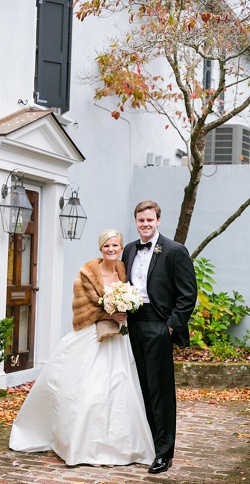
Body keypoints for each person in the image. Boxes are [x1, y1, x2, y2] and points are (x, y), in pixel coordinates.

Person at [9, 229, 154, 467]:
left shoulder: (123, 271)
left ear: (120, 248)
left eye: (115, 246)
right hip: (93, 336)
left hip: (118, 338)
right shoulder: (86, 274)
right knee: (91, 391)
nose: (111, 249)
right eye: (107, 246)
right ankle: (85, 445)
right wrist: (109, 311)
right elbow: (81, 308)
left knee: (121, 389)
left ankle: (121, 446)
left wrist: (125, 309)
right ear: (101, 249)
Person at [122, 200, 197, 474]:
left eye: (149, 220)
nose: (145, 224)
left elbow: (188, 293)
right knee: (141, 387)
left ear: (158, 221)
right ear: (136, 221)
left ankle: (164, 453)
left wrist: (170, 326)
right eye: (141, 220)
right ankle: (149, 444)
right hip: (133, 325)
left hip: (159, 325)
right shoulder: (129, 250)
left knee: (160, 391)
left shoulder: (175, 251)